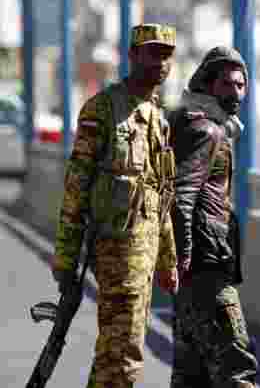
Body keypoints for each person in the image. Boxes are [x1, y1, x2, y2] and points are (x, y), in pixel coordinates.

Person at [50, 23, 180, 388]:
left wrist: (168, 261)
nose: (161, 62)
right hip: (115, 255)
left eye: (167, 54)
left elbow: (161, 196)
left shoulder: (157, 119)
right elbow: (76, 187)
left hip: (146, 255)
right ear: (133, 56)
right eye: (153, 53)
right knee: (122, 357)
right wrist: (65, 257)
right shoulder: (103, 110)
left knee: (116, 354)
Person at [168, 46, 260, 388]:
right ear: (208, 85)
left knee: (191, 376)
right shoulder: (207, 131)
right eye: (226, 84)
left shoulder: (193, 123)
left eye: (240, 84)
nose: (235, 92)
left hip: (194, 273)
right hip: (205, 269)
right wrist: (186, 256)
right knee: (237, 367)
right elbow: (182, 197)